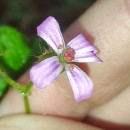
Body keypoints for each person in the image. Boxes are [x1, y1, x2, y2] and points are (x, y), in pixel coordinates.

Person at [0, 0, 130, 129]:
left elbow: (82, 90)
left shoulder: (65, 59)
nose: (69, 54)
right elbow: (46, 28)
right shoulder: (62, 56)